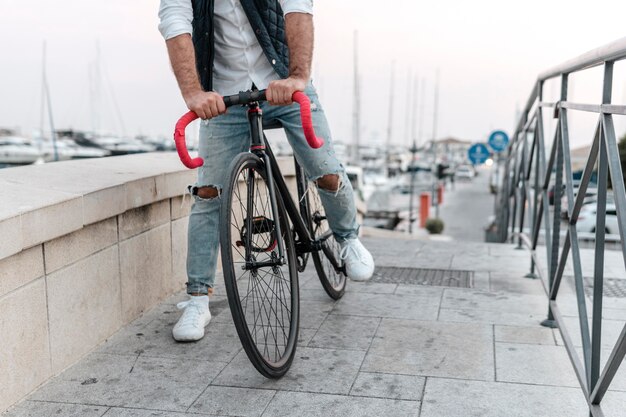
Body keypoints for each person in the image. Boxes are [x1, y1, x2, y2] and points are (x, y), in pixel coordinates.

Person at [159, 0, 375, 342]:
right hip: (225, 96)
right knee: (208, 192)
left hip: (285, 85)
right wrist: (193, 94)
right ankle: (197, 299)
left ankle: (347, 238)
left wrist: (299, 77)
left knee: (324, 168)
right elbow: (175, 24)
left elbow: (297, 9)